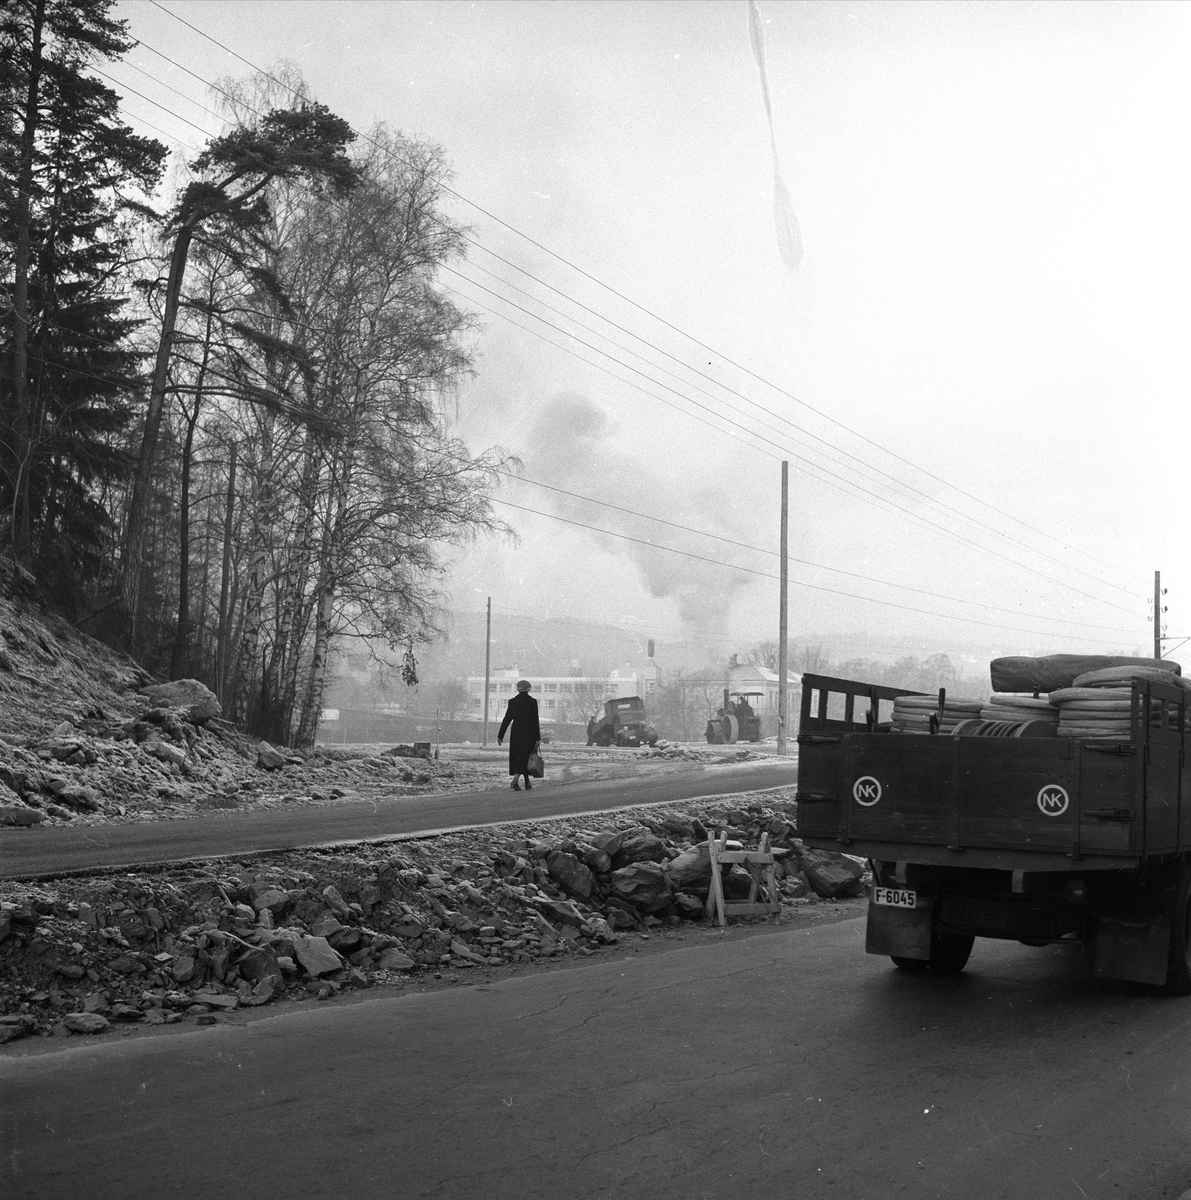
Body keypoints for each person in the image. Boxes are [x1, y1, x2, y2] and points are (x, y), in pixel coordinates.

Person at [498, 679, 541, 791]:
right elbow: (535, 720)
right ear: (529, 688)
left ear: (517, 689)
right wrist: (537, 738)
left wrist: (500, 735)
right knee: (528, 756)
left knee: (518, 756)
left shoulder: (513, 702)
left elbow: (507, 718)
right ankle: (519, 780)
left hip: (516, 731)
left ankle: (525, 781)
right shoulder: (532, 702)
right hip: (529, 732)